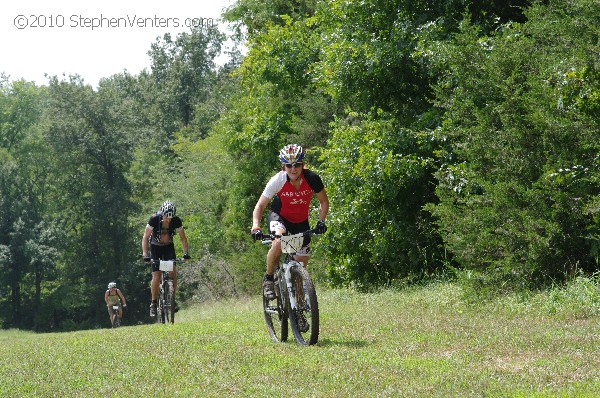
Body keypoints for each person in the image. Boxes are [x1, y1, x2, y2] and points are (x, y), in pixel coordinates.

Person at [251, 144, 329, 299]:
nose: (293, 169)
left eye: (297, 165)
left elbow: (324, 202)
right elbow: (260, 205)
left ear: (303, 165)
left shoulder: (312, 179)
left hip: (301, 222)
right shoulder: (277, 181)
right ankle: (269, 279)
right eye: (289, 165)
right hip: (279, 217)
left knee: (301, 272)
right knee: (279, 242)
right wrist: (255, 226)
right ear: (283, 167)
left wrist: (321, 221)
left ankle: (299, 313)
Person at [142, 200, 190, 317]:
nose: (168, 220)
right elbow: (145, 237)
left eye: (170, 218)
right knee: (157, 275)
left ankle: (173, 299)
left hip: (168, 248)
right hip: (155, 248)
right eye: (166, 218)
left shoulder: (176, 220)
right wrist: (145, 254)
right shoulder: (154, 219)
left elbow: (183, 238)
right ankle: (153, 303)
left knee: (173, 272)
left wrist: (186, 253)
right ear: (162, 214)